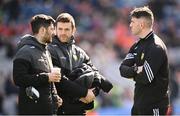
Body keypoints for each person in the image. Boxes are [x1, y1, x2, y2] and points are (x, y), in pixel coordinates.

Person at [48, 13, 113, 115]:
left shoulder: (80, 52)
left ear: (73, 30)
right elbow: (59, 80)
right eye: (60, 29)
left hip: (80, 110)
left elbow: (95, 75)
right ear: (55, 30)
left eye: (66, 29)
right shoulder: (49, 50)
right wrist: (84, 93)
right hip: (60, 110)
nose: (63, 33)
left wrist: (92, 93)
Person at [119, 6, 170, 115]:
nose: (130, 25)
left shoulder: (156, 47)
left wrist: (132, 72)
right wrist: (137, 69)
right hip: (138, 106)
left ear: (141, 25)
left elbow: (146, 78)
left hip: (154, 107)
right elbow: (122, 69)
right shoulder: (136, 46)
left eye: (132, 22)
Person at [13, 14, 62, 115]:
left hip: (48, 110)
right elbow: (18, 79)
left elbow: (49, 82)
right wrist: (47, 77)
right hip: (32, 111)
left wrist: (55, 97)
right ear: (43, 30)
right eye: (52, 29)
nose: (54, 33)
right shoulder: (25, 51)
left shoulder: (46, 51)